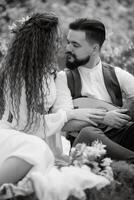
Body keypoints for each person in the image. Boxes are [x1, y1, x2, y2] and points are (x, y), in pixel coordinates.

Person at [0, 13, 106, 186]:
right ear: (42, 44)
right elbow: (25, 124)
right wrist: (69, 115)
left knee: (62, 166)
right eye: (55, 40)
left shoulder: (52, 75)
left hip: (45, 138)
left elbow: (63, 110)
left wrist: (98, 116)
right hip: (14, 134)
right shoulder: (16, 75)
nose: (61, 46)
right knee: (35, 149)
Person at [53, 18, 134, 162]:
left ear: (94, 48)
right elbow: (63, 122)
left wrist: (127, 111)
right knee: (88, 133)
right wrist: (104, 118)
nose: (68, 48)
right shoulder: (63, 78)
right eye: (68, 42)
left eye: (75, 45)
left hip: (118, 138)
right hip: (86, 145)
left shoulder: (116, 74)